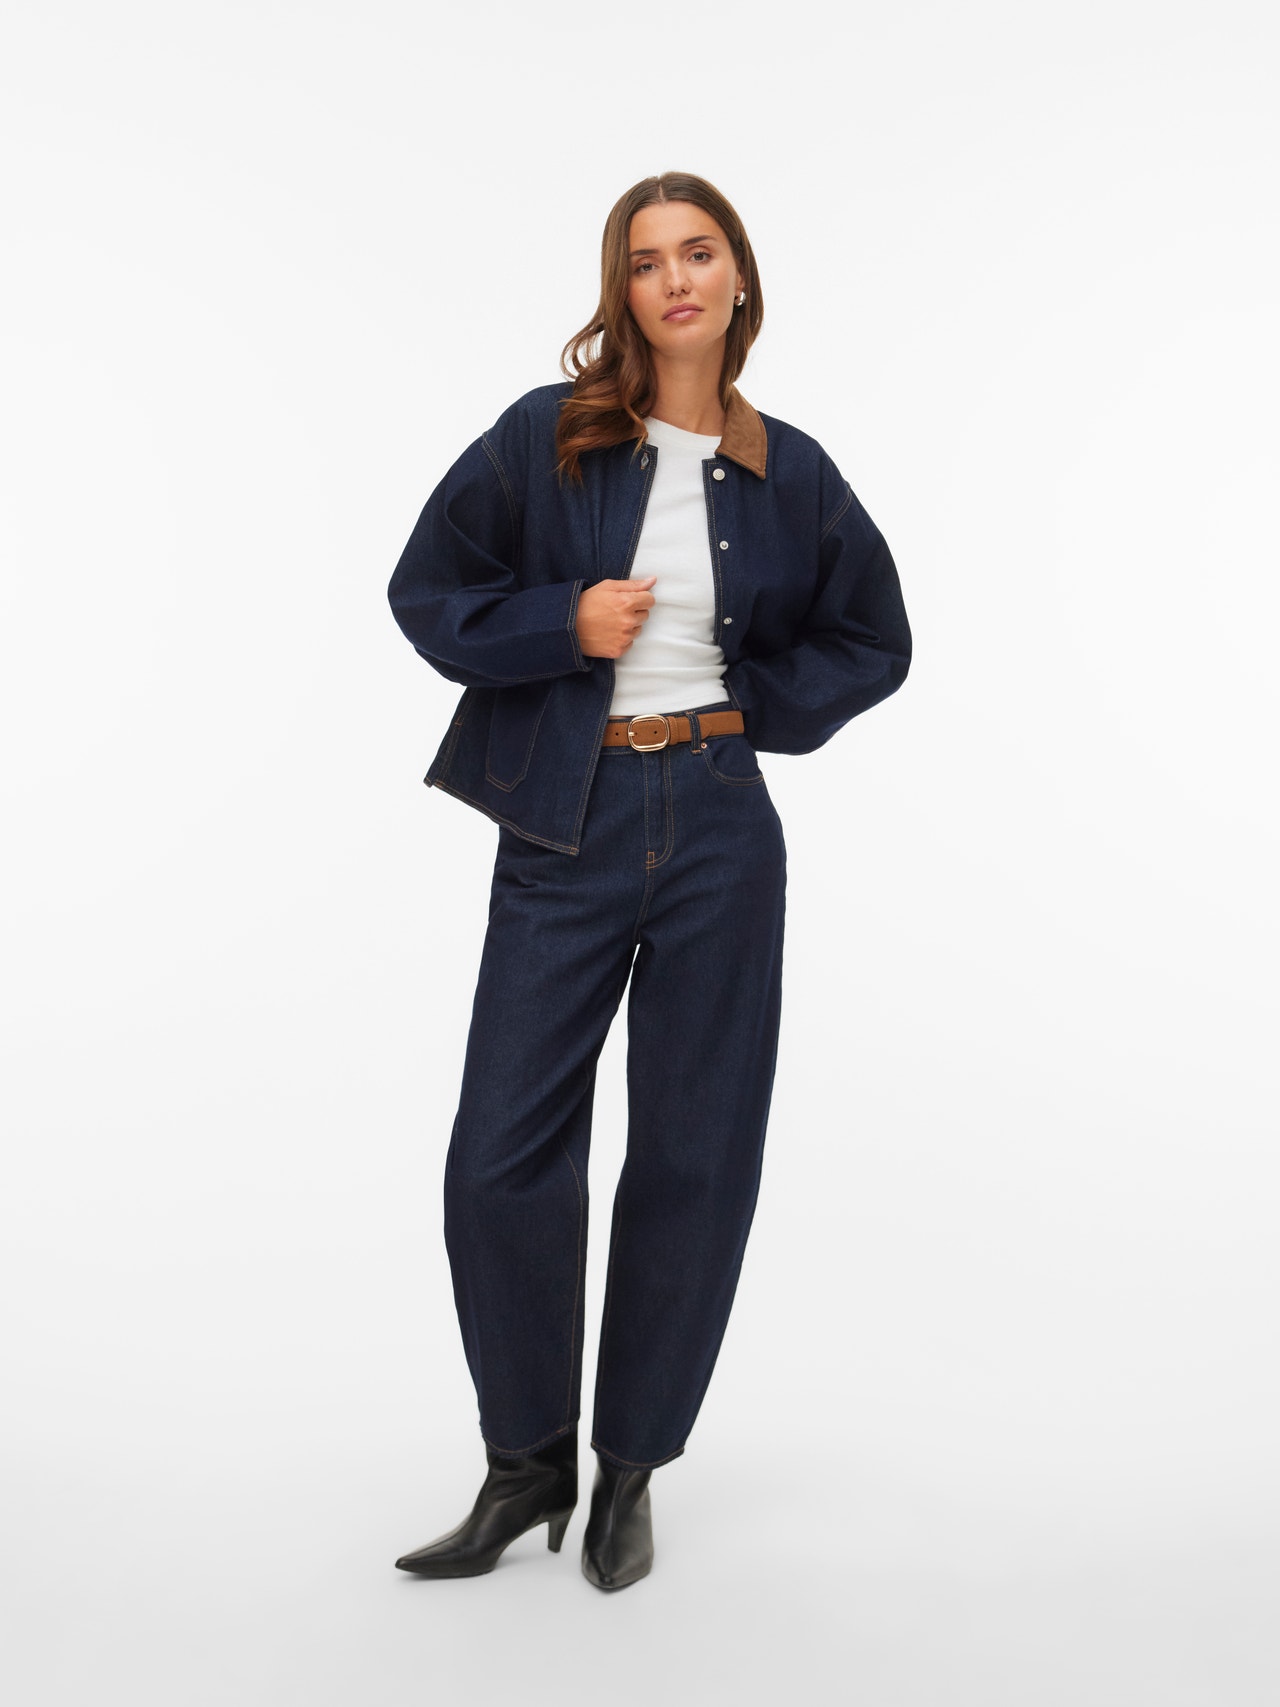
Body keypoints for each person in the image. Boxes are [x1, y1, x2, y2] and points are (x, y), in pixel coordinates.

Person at [386, 171, 911, 1592]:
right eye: (644, 260)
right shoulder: (546, 437)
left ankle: (631, 1469)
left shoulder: (792, 471)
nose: (674, 278)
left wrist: (754, 708)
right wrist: (563, 621)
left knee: (694, 1152)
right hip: (564, 821)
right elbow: (427, 592)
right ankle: (524, 1463)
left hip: (721, 826)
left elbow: (876, 637)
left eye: (698, 251)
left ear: (738, 278)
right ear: (620, 291)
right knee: (501, 1156)